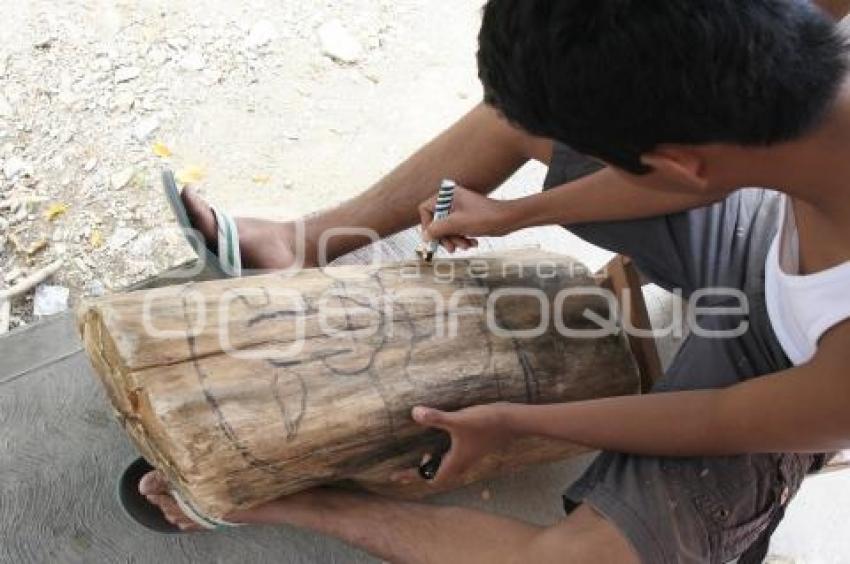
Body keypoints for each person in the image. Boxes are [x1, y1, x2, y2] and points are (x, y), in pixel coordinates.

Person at [139, 1, 850, 562]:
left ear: (679, 161)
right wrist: (513, 212)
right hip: (759, 208)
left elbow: (712, 421)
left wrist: (513, 420)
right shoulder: (800, 37)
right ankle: (300, 243)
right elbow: (687, 173)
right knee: (529, 108)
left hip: (786, 370)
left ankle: (307, 504)